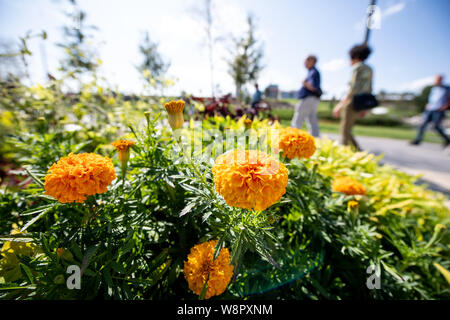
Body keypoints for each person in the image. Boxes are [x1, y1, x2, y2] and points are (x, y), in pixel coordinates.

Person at [333, 44, 373, 151]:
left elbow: (353, 88)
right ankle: (358, 151)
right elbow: (369, 89)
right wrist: (365, 107)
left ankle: (345, 154)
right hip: (361, 102)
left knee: (344, 131)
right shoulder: (369, 69)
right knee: (348, 130)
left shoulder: (358, 67)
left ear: (355, 56)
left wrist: (340, 105)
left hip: (351, 102)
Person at [410, 75, 450, 148]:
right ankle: (417, 140)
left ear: (441, 80)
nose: (436, 81)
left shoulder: (447, 88)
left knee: (436, 126)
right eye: (436, 80)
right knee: (422, 124)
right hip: (430, 109)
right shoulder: (434, 88)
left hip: (439, 110)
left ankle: (447, 139)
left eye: (438, 80)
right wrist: (428, 104)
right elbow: (432, 98)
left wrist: (445, 107)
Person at [291, 55, 321, 137]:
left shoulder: (313, 72)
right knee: (312, 119)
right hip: (313, 99)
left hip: (308, 98)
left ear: (312, 61)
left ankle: (291, 137)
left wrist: (304, 82)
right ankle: (316, 138)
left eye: (306, 61)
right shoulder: (313, 72)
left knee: (298, 118)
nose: (304, 63)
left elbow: (313, 87)